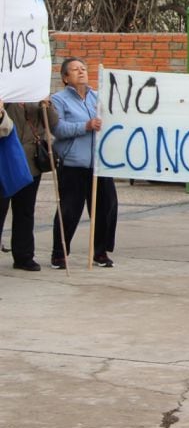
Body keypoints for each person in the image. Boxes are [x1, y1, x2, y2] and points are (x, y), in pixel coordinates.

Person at [50, 58, 119, 269]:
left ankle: (100, 251)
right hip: (73, 164)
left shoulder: (97, 97)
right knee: (70, 209)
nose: (81, 72)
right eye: (74, 70)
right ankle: (59, 253)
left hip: (99, 163)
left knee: (106, 207)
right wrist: (86, 126)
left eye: (83, 68)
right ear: (65, 77)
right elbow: (58, 129)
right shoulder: (58, 100)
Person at [0, 100, 59, 271]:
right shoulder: (7, 95)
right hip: (7, 159)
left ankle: (24, 256)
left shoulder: (36, 95)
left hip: (30, 163)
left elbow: (54, 124)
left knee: (25, 210)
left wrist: (46, 105)